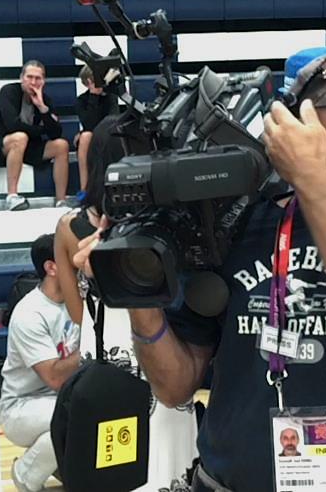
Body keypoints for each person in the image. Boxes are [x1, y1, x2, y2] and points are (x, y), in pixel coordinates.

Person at [73, 46, 326, 492]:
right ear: (300, 133)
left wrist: (309, 177)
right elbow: (174, 386)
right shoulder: (243, 224)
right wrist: (140, 294)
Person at [54, 115, 199, 489]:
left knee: (109, 471)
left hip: (103, 357)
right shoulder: (175, 226)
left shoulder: (70, 227)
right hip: (159, 352)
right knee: (166, 461)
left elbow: (75, 312)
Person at [0, 234, 80, 492]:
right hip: (21, 406)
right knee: (79, 414)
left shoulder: (79, 300)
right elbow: (54, 378)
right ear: (51, 267)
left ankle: (60, 464)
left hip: (62, 397)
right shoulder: (30, 313)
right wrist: (90, 352)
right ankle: (26, 474)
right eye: (71, 258)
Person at [0, 60, 70, 211]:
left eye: (38, 78)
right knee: (20, 137)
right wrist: (40, 129)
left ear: (43, 81)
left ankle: (61, 200)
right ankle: (12, 196)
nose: (33, 82)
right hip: (0, 144)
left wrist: (42, 108)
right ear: (21, 78)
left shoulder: (45, 100)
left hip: (27, 146)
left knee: (61, 145)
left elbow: (55, 133)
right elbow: (12, 125)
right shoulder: (8, 91)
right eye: (29, 77)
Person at [75, 64, 119, 196]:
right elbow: (88, 124)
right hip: (91, 136)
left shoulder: (111, 97)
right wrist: (94, 96)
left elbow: (112, 120)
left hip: (108, 134)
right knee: (85, 136)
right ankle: (84, 189)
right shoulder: (81, 101)